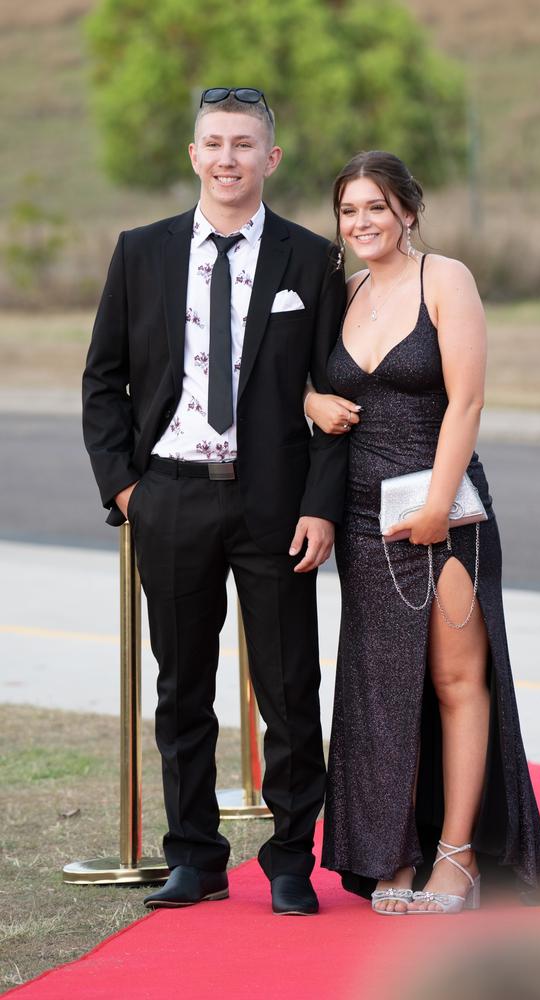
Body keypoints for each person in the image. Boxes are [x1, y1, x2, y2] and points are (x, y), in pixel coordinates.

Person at [82, 88, 347, 915]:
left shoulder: (311, 261)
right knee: (181, 690)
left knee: (290, 693)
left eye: (244, 145)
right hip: (171, 498)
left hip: (276, 506)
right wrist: (127, 488)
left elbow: (334, 394)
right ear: (193, 155)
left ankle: (291, 862)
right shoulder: (141, 252)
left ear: (272, 159)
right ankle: (193, 857)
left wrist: (322, 503)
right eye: (213, 143)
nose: (228, 158)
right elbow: (103, 382)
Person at [306, 151, 540, 914]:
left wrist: (434, 505)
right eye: (349, 211)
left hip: (446, 514)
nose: (362, 222)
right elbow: (314, 382)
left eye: (376, 208)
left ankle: (457, 858)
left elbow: (466, 402)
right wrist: (308, 399)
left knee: (456, 680)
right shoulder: (349, 291)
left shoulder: (445, 279)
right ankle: (391, 854)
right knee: (379, 685)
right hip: (364, 524)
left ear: (408, 212)